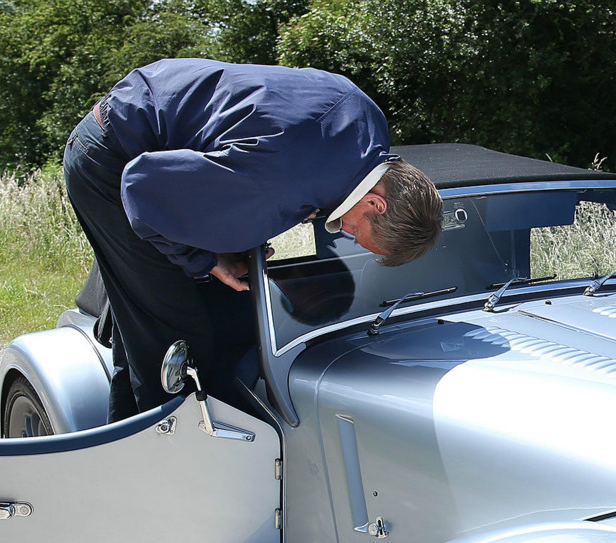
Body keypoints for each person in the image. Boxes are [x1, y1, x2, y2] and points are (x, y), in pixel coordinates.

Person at [63, 58, 443, 419]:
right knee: (170, 335)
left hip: (162, 125)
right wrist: (207, 260)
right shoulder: (278, 183)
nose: (347, 233)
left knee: (152, 313)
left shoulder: (368, 126)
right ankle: (158, 450)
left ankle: (126, 416)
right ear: (376, 203)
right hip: (110, 159)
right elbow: (142, 190)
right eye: (359, 234)